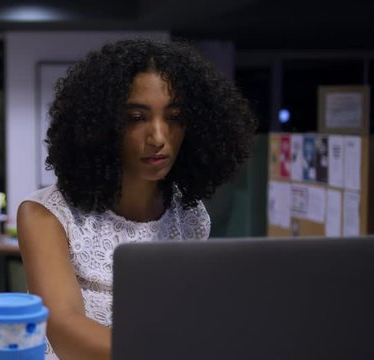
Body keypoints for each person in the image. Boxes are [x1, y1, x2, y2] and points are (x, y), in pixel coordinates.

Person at [17, 38, 257, 360]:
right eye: (136, 118)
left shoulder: (190, 215)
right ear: (101, 126)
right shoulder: (45, 216)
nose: (158, 137)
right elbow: (64, 329)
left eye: (174, 117)